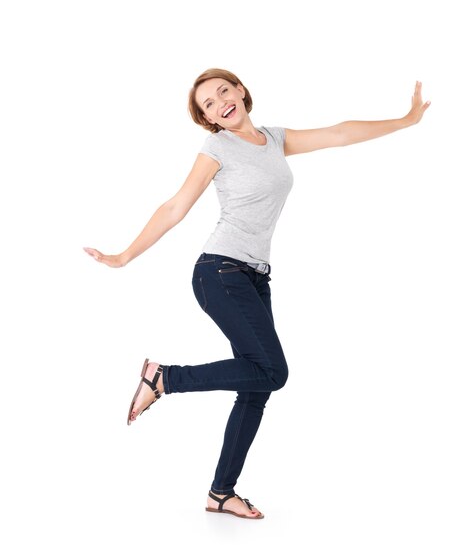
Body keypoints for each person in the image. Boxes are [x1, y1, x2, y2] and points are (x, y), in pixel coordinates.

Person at [84, 68, 430, 520]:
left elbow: (339, 132)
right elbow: (175, 206)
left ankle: (220, 493)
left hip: (253, 277)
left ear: (241, 91)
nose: (219, 103)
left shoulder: (274, 138)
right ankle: (165, 378)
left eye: (223, 92)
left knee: (257, 384)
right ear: (207, 119)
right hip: (219, 272)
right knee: (273, 370)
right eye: (208, 104)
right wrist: (124, 255)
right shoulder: (216, 148)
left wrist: (405, 120)